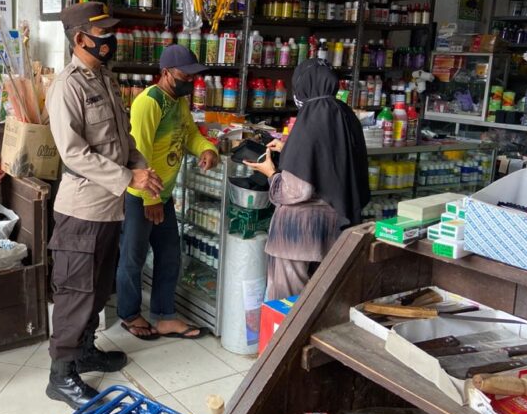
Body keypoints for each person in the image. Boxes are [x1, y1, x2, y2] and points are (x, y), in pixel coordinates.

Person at [46, 2, 163, 409]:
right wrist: (127, 177)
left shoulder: (105, 80)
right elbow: (73, 153)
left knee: (98, 288)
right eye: (103, 33)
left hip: (110, 206)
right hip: (82, 210)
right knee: (75, 293)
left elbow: (124, 139)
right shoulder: (67, 86)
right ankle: (61, 375)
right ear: (80, 39)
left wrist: (141, 168)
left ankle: (85, 349)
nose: (111, 40)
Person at [244, 58, 370, 299]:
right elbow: (330, 161)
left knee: (288, 307)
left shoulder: (311, 117)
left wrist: (271, 173)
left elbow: (296, 190)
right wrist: (289, 149)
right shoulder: (344, 113)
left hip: (299, 233)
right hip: (335, 227)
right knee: (320, 303)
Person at [117, 45, 218, 340]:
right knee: (132, 258)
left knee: (169, 255)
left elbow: (190, 135)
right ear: (165, 73)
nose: (190, 81)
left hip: (163, 195)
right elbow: (139, 153)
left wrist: (208, 149)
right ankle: (130, 314)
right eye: (184, 75)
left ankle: (163, 316)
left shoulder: (177, 102)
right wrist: (150, 199)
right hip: (142, 196)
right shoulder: (148, 103)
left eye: (193, 76)